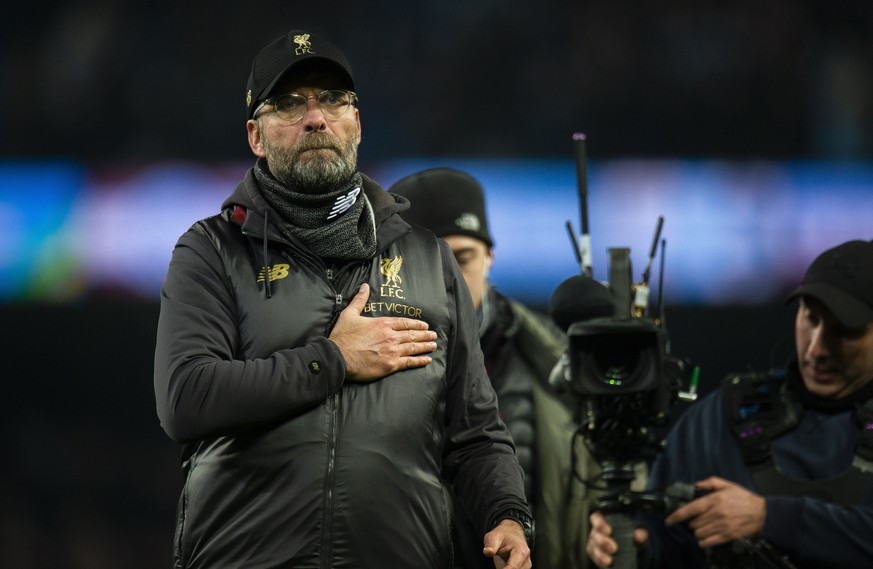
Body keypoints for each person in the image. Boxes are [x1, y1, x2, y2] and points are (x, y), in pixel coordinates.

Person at [153, 30, 533, 569]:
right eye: (289, 103)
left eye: (333, 99)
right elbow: (186, 397)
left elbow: (475, 432)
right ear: (255, 137)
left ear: (357, 123)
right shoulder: (212, 249)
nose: (316, 118)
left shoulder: (427, 258)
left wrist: (506, 514)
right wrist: (330, 359)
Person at [390, 168, 642, 569]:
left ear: (490, 258)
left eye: (463, 258)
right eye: (430, 262)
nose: (449, 279)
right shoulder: (366, 375)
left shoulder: (555, 364)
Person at [586, 239, 873, 568]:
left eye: (845, 332)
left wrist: (769, 518)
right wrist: (632, 545)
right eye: (811, 319)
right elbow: (666, 539)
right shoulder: (720, 419)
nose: (817, 350)